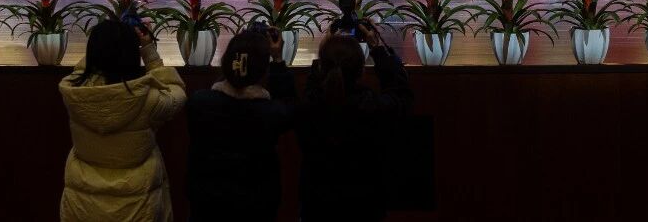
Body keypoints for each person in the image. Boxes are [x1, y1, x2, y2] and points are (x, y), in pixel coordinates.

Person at [59, 20, 186, 222]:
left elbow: (82, 70)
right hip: (137, 209)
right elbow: (176, 93)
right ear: (131, 55)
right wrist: (149, 51)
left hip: (83, 207)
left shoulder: (75, 93)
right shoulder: (146, 99)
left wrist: (106, 40)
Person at [297, 22, 412, 222]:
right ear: (362, 71)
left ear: (322, 67)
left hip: (316, 206)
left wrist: (321, 58)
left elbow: (310, 92)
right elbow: (401, 96)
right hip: (365, 205)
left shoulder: (308, 109)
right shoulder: (373, 109)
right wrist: (377, 49)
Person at [185, 27, 297, 220]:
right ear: (264, 72)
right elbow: (289, 106)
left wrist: (237, 56)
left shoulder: (199, 104)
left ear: (226, 63)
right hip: (257, 208)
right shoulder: (271, 114)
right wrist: (278, 60)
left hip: (207, 206)